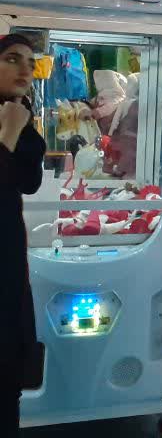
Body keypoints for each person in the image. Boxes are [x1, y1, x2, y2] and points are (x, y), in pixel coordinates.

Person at [0, 32, 44, 430]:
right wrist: (8, 134)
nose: (25, 69)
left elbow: (29, 182)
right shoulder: (14, 122)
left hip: (10, 270)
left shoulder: (21, 117)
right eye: (12, 59)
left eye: (30, 63)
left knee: (9, 379)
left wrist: (19, 128)